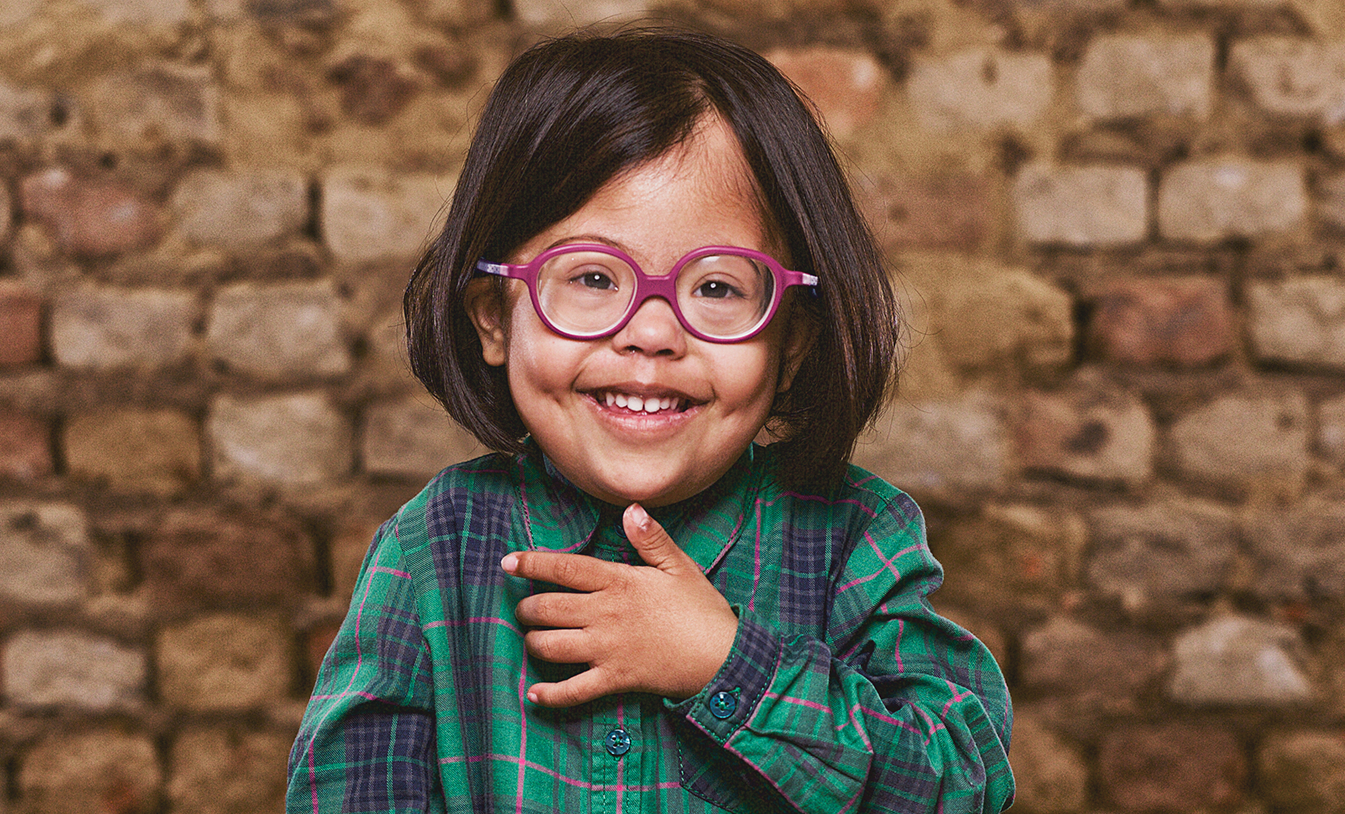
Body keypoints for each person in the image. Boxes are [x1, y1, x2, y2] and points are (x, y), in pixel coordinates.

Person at [289, 25, 1014, 813]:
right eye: (594, 277)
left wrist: (727, 666)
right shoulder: (433, 549)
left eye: (717, 289)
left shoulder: (855, 541)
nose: (651, 332)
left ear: (792, 342)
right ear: (495, 317)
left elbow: (965, 785)